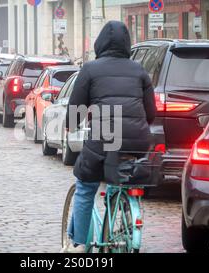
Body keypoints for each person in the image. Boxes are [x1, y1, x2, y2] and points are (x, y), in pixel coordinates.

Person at [62, 21, 157, 253]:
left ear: (100, 43)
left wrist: (70, 127)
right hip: (138, 137)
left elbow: (77, 108)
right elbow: (151, 113)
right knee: (119, 178)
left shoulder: (90, 69)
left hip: (105, 135)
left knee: (85, 187)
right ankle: (122, 213)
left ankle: (80, 245)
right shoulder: (139, 70)